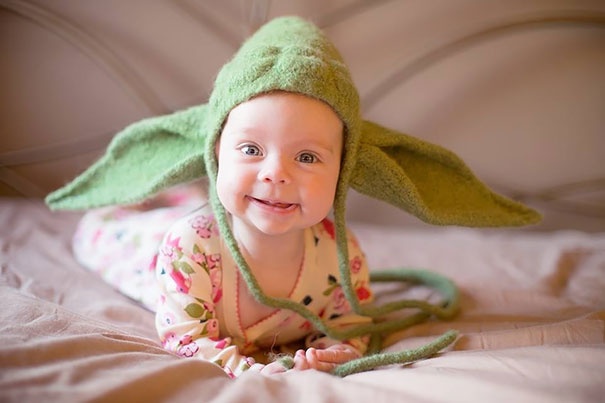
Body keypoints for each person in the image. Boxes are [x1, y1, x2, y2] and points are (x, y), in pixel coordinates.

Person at [47, 16, 540, 378]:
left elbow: (348, 323)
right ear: (214, 152)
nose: (276, 174)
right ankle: (164, 201)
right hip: (145, 247)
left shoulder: (341, 257)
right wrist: (251, 370)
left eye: (307, 157)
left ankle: (185, 193)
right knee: (109, 227)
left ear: (346, 169)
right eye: (250, 150)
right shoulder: (188, 248)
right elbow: (184, 336)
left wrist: (337, 349)